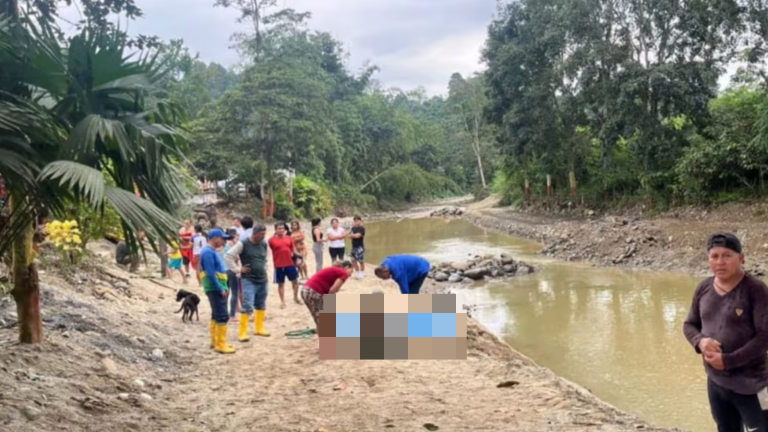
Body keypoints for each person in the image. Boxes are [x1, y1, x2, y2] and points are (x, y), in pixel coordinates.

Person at [683, 232, 768, 432]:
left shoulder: (756, 290)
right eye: (715, 256)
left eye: (727, 255)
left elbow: (765, 338)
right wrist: (700, 342)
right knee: (726, 428)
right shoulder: (704, 287)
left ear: (741, 258)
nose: (720, 262)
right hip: (716, 383)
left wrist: (728, 360)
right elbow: (689, 324)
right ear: (708, 259)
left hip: (754, 384)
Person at [225, 224, 270, 341]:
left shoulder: (264, 244)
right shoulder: (243, 243)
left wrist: (265, 269)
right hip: (248, 279)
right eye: (261, 234)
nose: (263, 236)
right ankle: (242, 333)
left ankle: (259, 328)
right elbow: (228, 256)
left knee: (261, 303)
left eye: (264, 234)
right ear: (255, 233)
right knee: (247, 305)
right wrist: (237, 269)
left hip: (262, 278)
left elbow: (265, 259)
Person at [199, 228, 235, 354]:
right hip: (215, 288)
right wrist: (220, 288)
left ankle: (215, 341)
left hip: (216, 286)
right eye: (222, 238)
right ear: (215, 238)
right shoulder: (208, 252)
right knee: (222, 316)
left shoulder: (209, 251)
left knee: (216, 314)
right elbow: (210, 272)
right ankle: (220, 344)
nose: (223, 241)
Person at [302, 261, 354, 331]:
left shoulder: (335, 270)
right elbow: (332, 290)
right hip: (314, 292)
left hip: (305, 290)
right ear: (347, 267)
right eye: (351, 271)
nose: (350, 275)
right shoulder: (343, 273)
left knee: (319, 319)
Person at [269, 222, 300, 308]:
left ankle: (295, 297)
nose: (281, 230)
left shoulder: (289, 238)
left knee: (295, 281)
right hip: (279, 265)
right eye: (279, 228)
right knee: (281, 284)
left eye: (282, 228)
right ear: (275, 230)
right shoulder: (271, 240)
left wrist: (298, 258)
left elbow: (293, 250)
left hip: (290, 263)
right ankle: (282, 302)